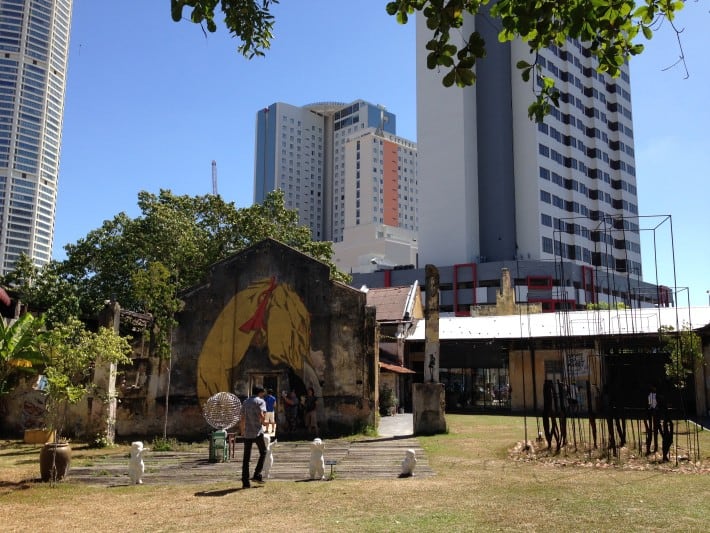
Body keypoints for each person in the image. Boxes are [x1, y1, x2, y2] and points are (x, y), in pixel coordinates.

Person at [239, 386, 267, 489]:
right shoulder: (260, 401)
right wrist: (265, 422)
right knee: (263, 452)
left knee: (246, 458)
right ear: (260, 393)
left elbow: (242, 418)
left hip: (247, 433)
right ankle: (256, 474)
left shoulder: (246, 402)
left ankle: (245, 482)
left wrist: (242, 430)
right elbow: (261, 415)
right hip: (257, 432)